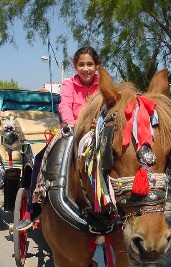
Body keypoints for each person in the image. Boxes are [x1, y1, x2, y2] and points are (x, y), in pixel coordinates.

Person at [16, 46, 100, 230]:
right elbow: (64, 106)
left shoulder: (102, 86)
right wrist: (72, 125)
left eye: (90, 64)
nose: (86, 68)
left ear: (96, 66)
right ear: (75, 66)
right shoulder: (69, 84)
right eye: (81, 64)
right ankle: (33, 210)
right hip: (72, 131)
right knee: (40, 160)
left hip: (96, 133)